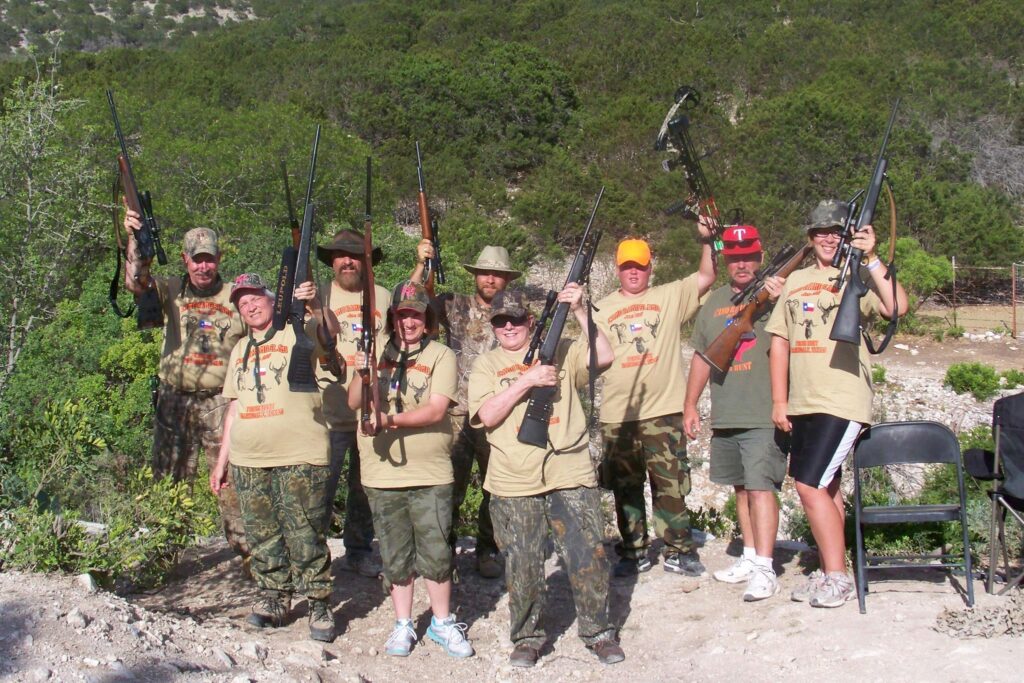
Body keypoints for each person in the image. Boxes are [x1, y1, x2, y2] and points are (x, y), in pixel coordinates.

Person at [468, 285, 624, 667]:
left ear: (531, 321)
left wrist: (582, 310)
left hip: (568, 470)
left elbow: (604, 355)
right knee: (522, 563)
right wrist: (527, 380)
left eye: (516, 320)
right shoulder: (486, 365)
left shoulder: (566, 350)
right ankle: (527, 637)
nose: (508, 327)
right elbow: (486, 416)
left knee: (587, 554)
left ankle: (598, 632)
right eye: (500, 321)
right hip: (513, 478)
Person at [766, 200, 908, 608]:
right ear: (809, 238)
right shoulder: (794, 281)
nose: (828, 238)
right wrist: (780, 399)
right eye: (821, 232)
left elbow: (896, 307)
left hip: (842, 398)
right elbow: (780, 341)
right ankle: (834, 567)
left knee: (807, 484)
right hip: (803, 401)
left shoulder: (858, 276)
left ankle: (836, 576)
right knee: (825, 486)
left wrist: (874, 257)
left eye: (837, 232)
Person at [347, 280, 474, 659]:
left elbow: (436, 409)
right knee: (395, 553)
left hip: (430, 472)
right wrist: (361, 371)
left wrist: (388, 420)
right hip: (382, 472)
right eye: (402, 314)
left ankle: (442, 622)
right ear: (392, 318)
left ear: (427, 319)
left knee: (436, 551)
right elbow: (354, 401)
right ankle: (403, 623)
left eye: (415, 314)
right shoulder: (375, 354)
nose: (408, 321)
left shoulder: (441, 355)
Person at [209, 273, 336, 642]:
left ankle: (318, 601)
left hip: (301, 452)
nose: (249, 305)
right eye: (241, 301)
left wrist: (312, 305)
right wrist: (222, 462)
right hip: (249, 457)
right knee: (262, 534)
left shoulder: (298, 333)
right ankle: (274, 596)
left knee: (306, 530)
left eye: (255, 298)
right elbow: (233, 407)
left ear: (271, 300)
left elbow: (330, 337)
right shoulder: (239, 349)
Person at [122, 209, 248, 564]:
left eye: (209, 260)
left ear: (218, 259)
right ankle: (162, 556)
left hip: (221, 403)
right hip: (174, 400)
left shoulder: (237, 296)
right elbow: (136, 281)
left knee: (229, 482)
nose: (203, 267)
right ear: (185, 259)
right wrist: (135, 237)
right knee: (169, 477)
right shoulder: (169, 290)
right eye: (197, 260)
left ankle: (248, 554)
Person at [592, 230, 716, 577]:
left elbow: (706, 276)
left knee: (670, 483)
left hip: (664, 410)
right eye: (627, 266)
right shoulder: (599, 308)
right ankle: (633, 551)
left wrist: (706, 239)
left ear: (651, 268)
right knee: (625, 486)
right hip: (619, 414)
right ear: (617, 269)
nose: (634, 273)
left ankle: (679, 548)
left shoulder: (670, 295)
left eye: (640, 267)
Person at [683, 225, 789, 601]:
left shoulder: (780, 295)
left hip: (763, 411)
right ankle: (747, 555)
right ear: (726, 260)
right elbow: (703, 355)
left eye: (749, 256)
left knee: (762, 488)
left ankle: (765, 566)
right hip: (727, 412)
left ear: (760, 257)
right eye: (734, 257)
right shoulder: (714, 303)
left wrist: (779, 298)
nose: (742, 263)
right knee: (742, 488)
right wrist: (691, 404)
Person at [412, 243, 523, 578]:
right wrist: (421, 264)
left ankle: (488, 550)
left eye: (497, 274)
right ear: (475, 276)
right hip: (457, 414)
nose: (490, 279)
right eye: (485, 273)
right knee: (450, 488)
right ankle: (444, 553)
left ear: (506, 279)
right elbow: (412, 301)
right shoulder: (453, 304)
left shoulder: (513, 312)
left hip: (498, 413)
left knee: (496, 489)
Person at [314, 229, 389, 578]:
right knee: (319, 488)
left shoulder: (383, 297)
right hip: (326, 413)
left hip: (369, 411)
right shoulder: (318, 296)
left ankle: (358, 550)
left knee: (364, 487)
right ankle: (314, 558)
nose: (348, 261)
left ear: (367, 262)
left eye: (355, 255)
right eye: (341, 255)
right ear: (332, 262)